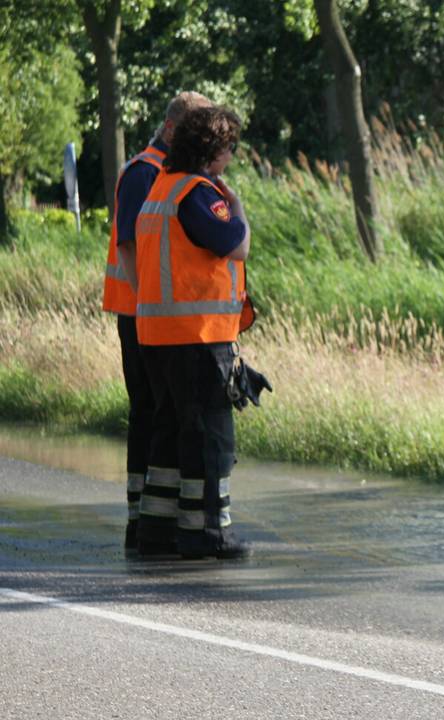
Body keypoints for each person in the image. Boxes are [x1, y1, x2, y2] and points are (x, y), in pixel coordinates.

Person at [133, 105, 254, 559]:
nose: (231, 156)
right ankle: (208, 534)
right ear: (213, 151)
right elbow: (235, 246)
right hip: (199, 338)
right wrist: (238, 208)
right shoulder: (200, 194)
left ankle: (158, 530)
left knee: (169, 433)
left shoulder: (161, 187)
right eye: (229, 147)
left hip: (158, 338)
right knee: (209, 437)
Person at [101, 91, 211, 555]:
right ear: (170, 130)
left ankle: (157, 520)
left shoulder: (172, 175)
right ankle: (140, 520)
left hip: (160, 318)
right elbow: (128, 247)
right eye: (193, 132)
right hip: (141, 316)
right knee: (149, 412)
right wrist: (150, 303)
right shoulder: (144, 172)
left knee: (165, 414)